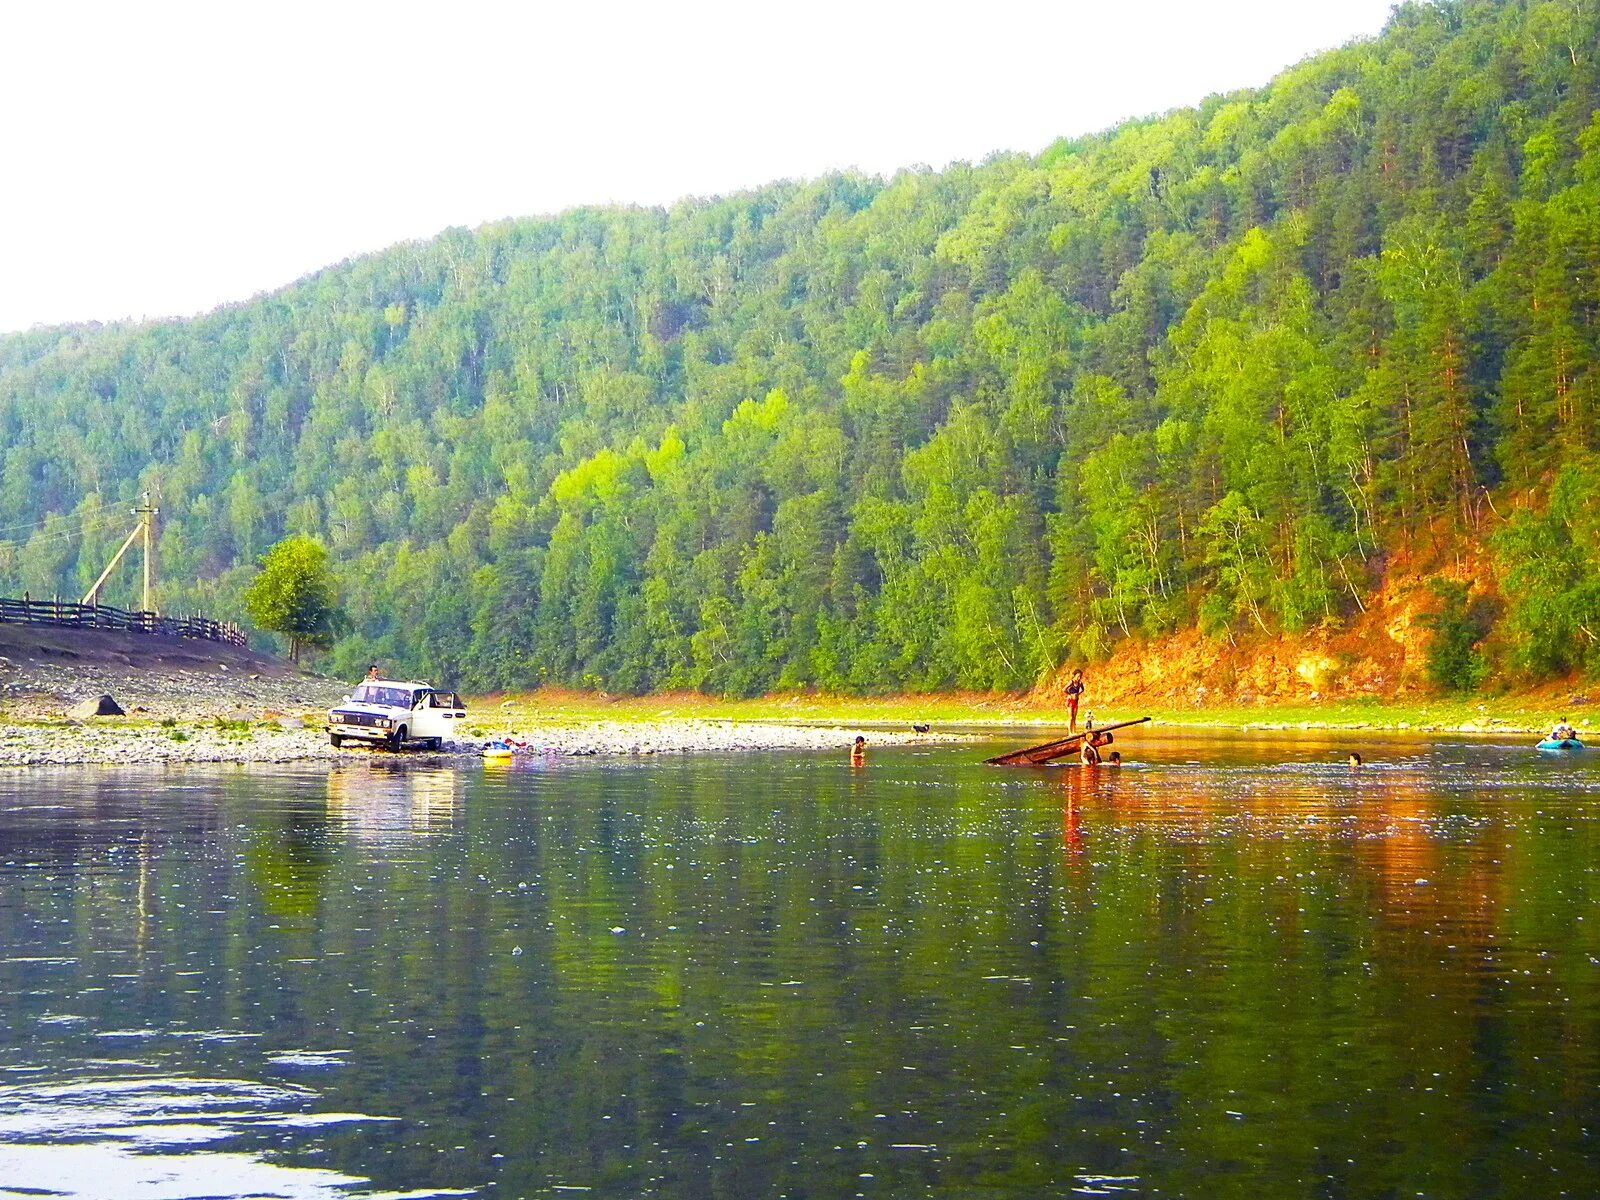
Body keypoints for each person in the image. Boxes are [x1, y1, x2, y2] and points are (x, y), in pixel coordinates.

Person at [1065, 668, 1085, 733]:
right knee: (1070, 717)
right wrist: (1070, 695)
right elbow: (1064, 689)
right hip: (1070, 701)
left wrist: (1078, 694)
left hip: (1076, 701)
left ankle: (1074, 732)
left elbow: (1082, 689)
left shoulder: (1080, 683)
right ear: (1075, 675)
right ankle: (1070, 732)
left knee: (1074, 718)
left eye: (1080, 676)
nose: (1079, 678)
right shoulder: (1071, 682)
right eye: (1078, 676)